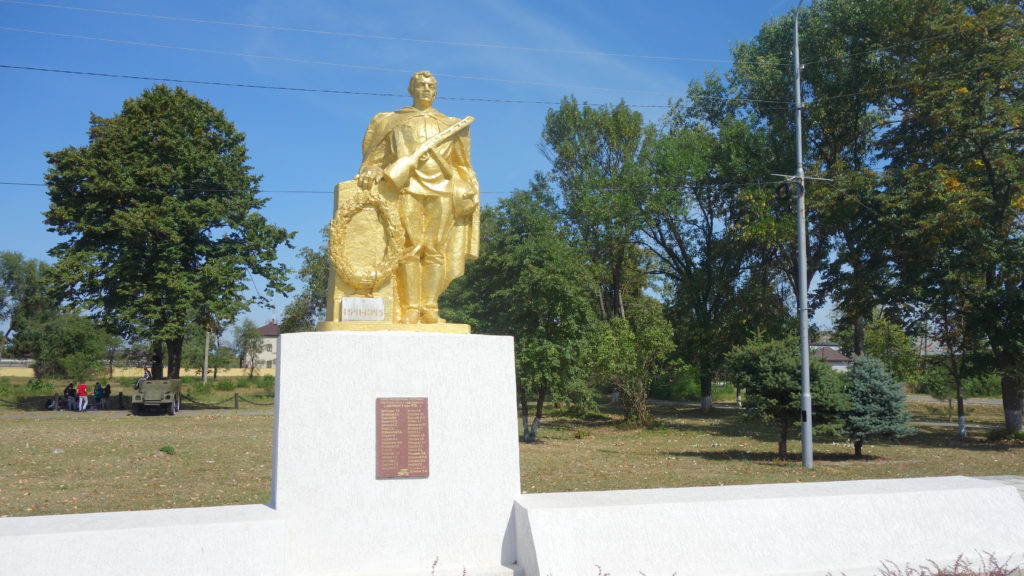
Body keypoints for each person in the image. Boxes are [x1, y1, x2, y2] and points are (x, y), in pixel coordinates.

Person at [355, 70, 480, 324]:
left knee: (435, 250)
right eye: (420, 85)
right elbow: (376, 158)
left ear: (436, 91)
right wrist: (372, 169)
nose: (426, 89)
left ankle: (430, 308)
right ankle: (411, 307)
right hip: (407, 187)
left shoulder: (450, 124)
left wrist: (467, 185)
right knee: (410, 247)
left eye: (430, 86)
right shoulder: (393, 121)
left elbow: (461, 163)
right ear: (410, 90)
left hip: (442, 190)